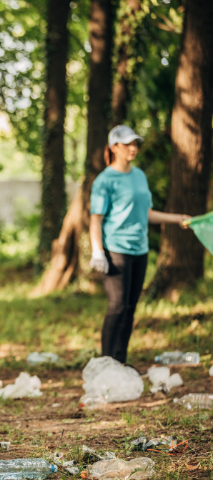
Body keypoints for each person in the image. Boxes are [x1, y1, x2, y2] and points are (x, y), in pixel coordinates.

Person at [89, 125, 190, 365]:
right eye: (127, 144)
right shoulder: (104, 181)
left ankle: (120, 362)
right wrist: (98, 251)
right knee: (117, 306)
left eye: (135, 144)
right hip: (116, 250)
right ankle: (106, 364)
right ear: (114, 147)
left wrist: (176, 218)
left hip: (140, 250)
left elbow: (147, 213)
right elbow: (96, 219)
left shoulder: (139, 176)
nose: (133, 148)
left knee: (130, 308)